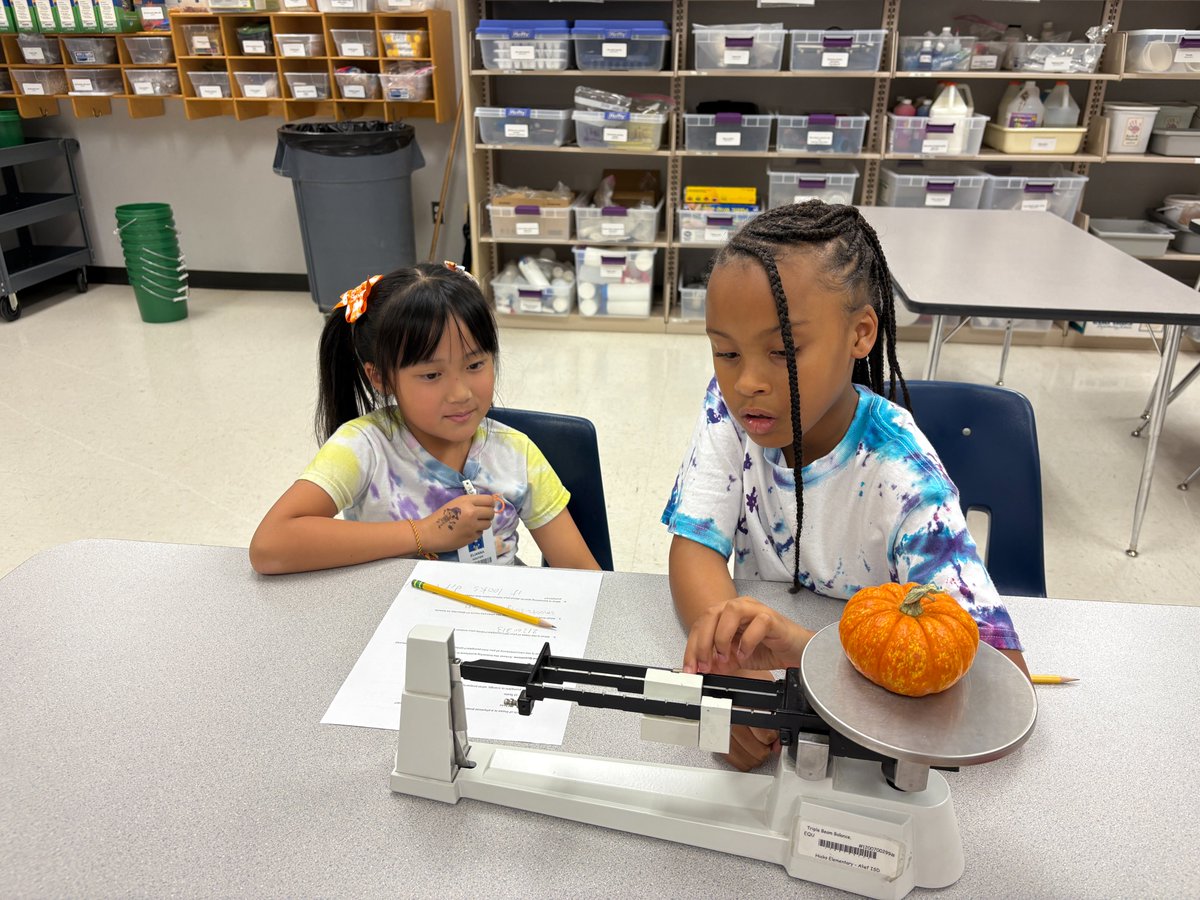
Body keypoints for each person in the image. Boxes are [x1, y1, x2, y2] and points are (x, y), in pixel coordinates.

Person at [661, 203, 1027, 770]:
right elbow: (694, 548)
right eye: (727, 352)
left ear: (860, 334)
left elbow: (1001, 688)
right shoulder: (729, 409)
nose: (747, 381)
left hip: (868, 719)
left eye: (783, 351)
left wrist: (811, 659)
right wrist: (735, 673)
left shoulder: (905, 477)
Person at [250, 262, 599, 575]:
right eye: (432, 375)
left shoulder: (516, 454)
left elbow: (583, 573)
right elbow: (270, 546)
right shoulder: (364, 447)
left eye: (475, 364)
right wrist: (424, 533)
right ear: (381, 377)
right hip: (393, 618)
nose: (460, 393)